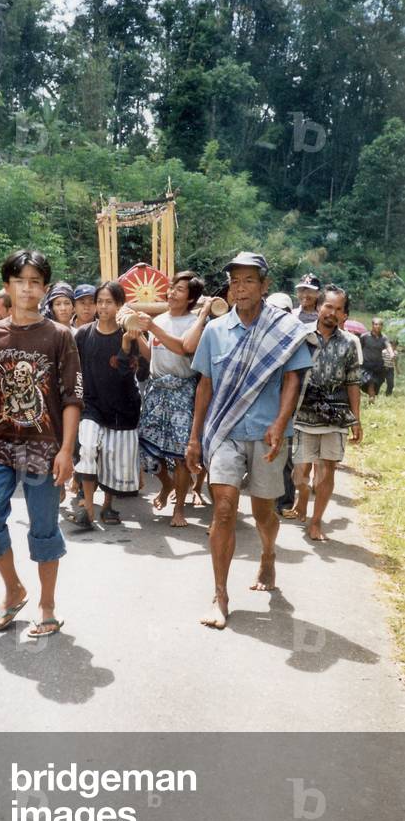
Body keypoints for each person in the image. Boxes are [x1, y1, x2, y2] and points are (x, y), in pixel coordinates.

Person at [186, 253, 312, 630]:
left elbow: (293, 377)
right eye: (234, 281)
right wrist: (194, 438)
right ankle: (220, 594)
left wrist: (280, 421)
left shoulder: (284, 329)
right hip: (224, 432)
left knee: (263, 513)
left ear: (264, 286)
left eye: (248, 281)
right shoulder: (215, 330)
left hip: (267, 435)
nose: (239, 288)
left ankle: (268, 554)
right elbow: (204, 385)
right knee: (223, 509)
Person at [0, 250, 83, 638]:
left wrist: (67, 450)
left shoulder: (60, 336)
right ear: (7, 286)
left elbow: (72, 398)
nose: (28, 288)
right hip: (0, 444)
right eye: (20, 280)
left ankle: (47, 605)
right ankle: (14, 588)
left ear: (45, 289)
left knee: (44, 529)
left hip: (45, 448)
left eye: (36, 281)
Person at [133, 271, 212, 527]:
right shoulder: (160, 319)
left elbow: (184, 348)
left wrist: (152, 327)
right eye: (171, 288)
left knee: (180, 454)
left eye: (179, 289)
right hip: (156, 391)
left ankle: (179, 509)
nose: (172, 293)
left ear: (191, 298)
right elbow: (151, 355)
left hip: (182, 392)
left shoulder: (196, 323)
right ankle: (166, 486)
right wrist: (137, 338)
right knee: (147, 447)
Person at [287, 285, 362, 542]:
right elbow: (288, 376)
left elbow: (353, 383)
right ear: (319, 307)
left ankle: (316, 522)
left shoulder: (351, 343)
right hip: (302, 413)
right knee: (299, 472)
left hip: (335, 415)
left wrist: (356, 420)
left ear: (344, 316)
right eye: (328, 306)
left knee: (328, 470)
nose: (332, 312)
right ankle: (303, 493)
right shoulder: (301, 336)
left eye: (338, 309)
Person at [73, 281, 142, 529]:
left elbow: (141, 373)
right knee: (88, 448)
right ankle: (88, 507)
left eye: (108, 302)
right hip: (91, 404)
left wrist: (128, 344)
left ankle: (108, 505)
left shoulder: (131, 334)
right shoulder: (82, 334)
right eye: (98, 301)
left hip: (123, 407)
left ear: (120, 305)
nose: (102, 306)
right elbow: (74, 371)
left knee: (113, 458)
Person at [266, 293, 296, 516]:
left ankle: (284, 503)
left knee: (285, 458)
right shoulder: (256, 335)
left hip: (286, 409)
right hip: (260, 408)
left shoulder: (295, 341)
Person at [360, 318, 390, 403]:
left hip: (378, 366)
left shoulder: (384, 338)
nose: (378, 326)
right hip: (366, 365)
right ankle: (371, 400)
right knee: (370, 382)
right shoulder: (364, 336)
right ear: (372, 325)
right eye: (376, 324)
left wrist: (391, 353)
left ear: (382, 326)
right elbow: (358, 348)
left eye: (380, 324)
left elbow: (388, 346)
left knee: (376, 384)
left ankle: (372, 398)